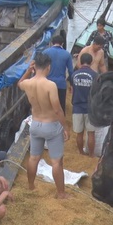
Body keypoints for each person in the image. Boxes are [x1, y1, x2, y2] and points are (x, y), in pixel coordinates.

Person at [18, 53, 69, 199]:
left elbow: (19, 83)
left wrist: (28, 71)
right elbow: (58, 109)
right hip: (51, 125)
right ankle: (61, 193)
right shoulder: (50, 85)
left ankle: (31, 186)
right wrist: (65, 127)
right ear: (48, 67)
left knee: (34, 158)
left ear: (35, 66)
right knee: (56, 161)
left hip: (35, 124)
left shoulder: (28, 84)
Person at [71, 52, 99, 157]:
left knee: (79, 133)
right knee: (91, 133)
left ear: (81, 62)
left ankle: (81, 153)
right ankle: (91, 154)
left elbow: (72, 91)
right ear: (91, 62)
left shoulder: (74, 75)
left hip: (77, 107)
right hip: (91, 108)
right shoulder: (95, 76)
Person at [42, 35, 74, 114]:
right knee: (60, 108)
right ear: (62, 43)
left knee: (46, 107)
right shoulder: (67, 54)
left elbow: (41, 68)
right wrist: (72, 85)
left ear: (52, 43)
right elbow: (71, 71)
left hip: (47, 83)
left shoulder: (45, 52)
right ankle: (60, 125)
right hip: (61, 85)